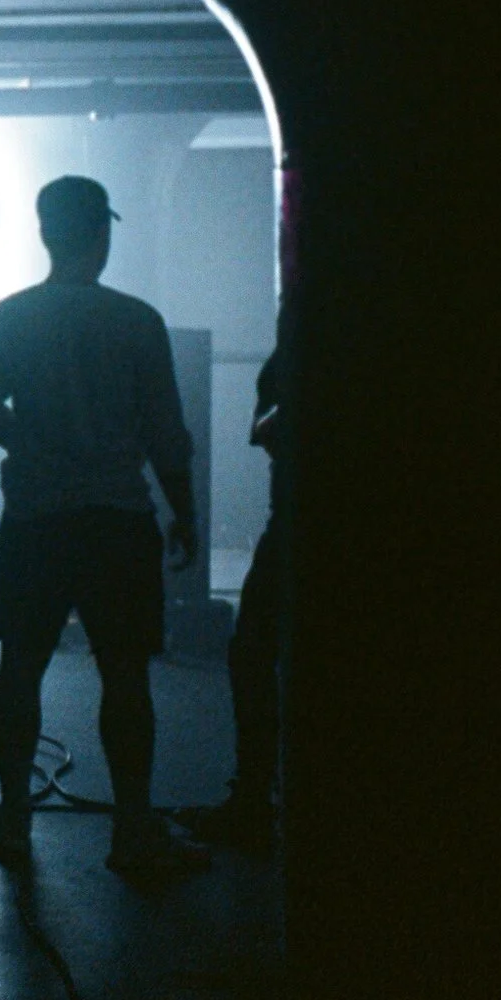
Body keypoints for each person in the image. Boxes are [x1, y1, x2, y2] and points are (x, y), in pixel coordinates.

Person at [0, 176, 209, 878]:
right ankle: (132, 829)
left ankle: (14, 816)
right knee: (125, 677)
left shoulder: (9, 317)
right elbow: (167, 433)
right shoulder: (136, 322)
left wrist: (28, 443)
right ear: (101, 233)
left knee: (20, 665)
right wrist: (184, 512)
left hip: (37, 519)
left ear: (46, 234)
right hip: (117, 522)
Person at [181, 337, 289, 852]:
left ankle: (252, 799)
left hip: (297, 526)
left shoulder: (295, 352)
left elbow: (265, 430)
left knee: (251, 654)